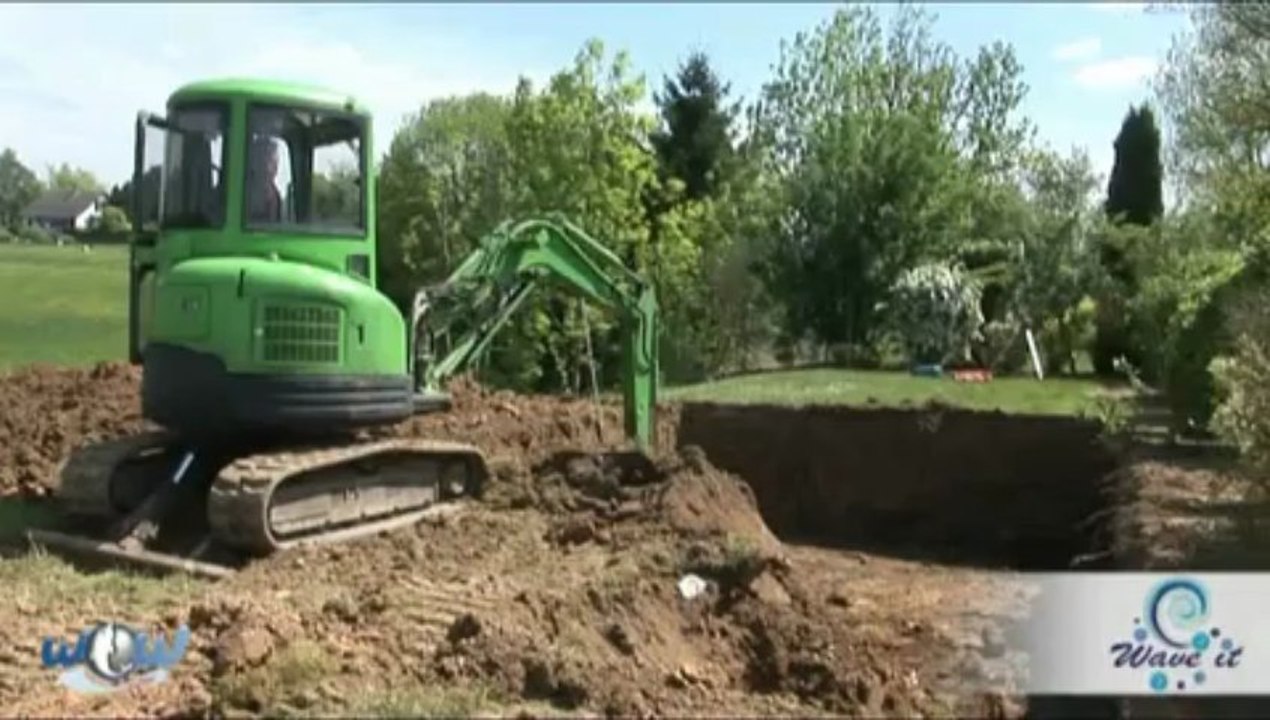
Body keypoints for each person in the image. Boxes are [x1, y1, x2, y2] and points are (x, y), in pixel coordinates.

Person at [247, 135, 282, 223]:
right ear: (256, 162)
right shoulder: (242, 192)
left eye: (276, 162)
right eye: (271, 160)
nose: (275, 167)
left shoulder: (276, 195)